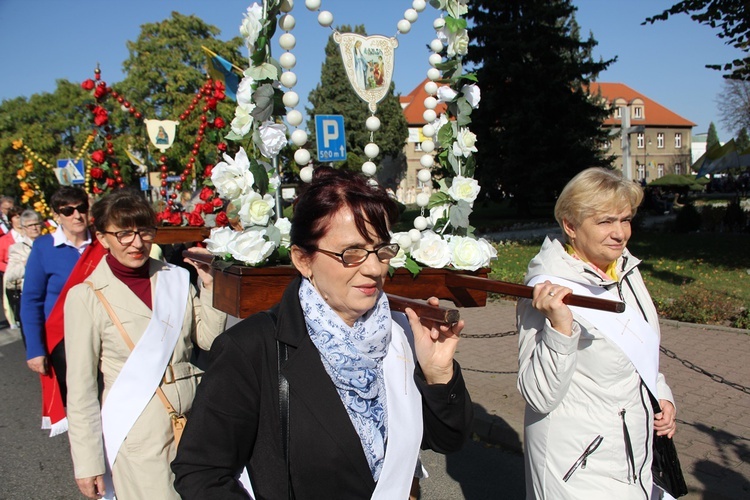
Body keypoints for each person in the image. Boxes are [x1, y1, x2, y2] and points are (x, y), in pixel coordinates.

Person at [172, 167, 472, 499]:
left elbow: (446, 440)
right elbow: (201, 472)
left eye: (382, 250)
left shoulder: (400, 334)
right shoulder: (253, 348)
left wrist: (438, 374)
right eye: (351, 253)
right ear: (303, 259)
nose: (374, 268)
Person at [517, 168, 677, 499]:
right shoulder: (548, 288)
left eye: (625, 219)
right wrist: (561, 329)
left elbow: (639, 350)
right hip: (576, 463)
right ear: (571, 226)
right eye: (605, 221)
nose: (620, 233)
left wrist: (661, 393)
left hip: (633, 451)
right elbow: (538, 395)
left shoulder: (624, 269)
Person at [64, 189, 227, 500]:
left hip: (197, 418)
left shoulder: (176, 278)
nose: (137, 243)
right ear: (102, 237)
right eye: (124, 233)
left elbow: (208, 340)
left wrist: (209, 285)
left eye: (145, 232)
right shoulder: (86, 296)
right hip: (137, 427)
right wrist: (87, 463)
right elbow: (81, 388)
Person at [21, 186, 103, 435]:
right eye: (68, 211)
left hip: (104, 332)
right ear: (57, 215)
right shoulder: (44, 247)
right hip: (64, 341)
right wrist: (35, 350)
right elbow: (31, 300)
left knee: (107, 398)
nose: (76, 215)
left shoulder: (103, 242)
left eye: (81, 209)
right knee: (79, 404)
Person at [5, 209, 43, 338]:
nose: (34, 228)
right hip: (30, 296)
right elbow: (10, 275)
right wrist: (26, 264)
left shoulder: (51, 244)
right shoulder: (17, 249)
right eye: (30, 225)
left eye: (37, 224)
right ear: (24, 228)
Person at [0, 206, 23, 327]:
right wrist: (11, 270)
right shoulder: (4, 240)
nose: (20, 220)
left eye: (21, 216)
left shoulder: (33, 236)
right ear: (10, 220)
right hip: (15, 281)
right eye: (17, 217)